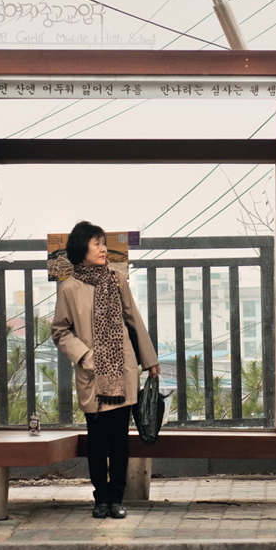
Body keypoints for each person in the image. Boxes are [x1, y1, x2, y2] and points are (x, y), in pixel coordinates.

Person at [52, 221, 160, 519]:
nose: (102, 249)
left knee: (120, 440)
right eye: (96, 244)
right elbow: (60, 331)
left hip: (122, 370)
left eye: (103, 243)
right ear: (81, 250)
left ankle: (117, 498)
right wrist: (85, 356)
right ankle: (100, 498)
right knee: (97, 440)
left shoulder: (117, 279)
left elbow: (133, 320)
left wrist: (149, 360)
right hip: (92, 374)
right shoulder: (69, 288)